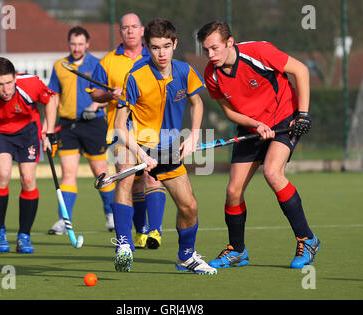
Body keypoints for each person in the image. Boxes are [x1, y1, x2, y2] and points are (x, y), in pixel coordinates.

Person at [197, 21, 320, 269]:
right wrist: (255, 124)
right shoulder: (211, 74)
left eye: (214, 48)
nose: (210, 55)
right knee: (233, 191)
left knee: (273, 172)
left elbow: (301, 71)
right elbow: (231, 112)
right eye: (206, 50)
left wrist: (303, 114)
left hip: (285, 118)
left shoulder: (259, 52)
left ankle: (307, 239)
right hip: (252, 127)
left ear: (230, 42)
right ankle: (237, 250)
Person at [111, 18, 216, 275]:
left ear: (175, 44)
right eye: (156, 47)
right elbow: (119, 125)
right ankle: (124, 245)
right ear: (148, 47)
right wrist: (141, 153)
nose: (161, 53)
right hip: (137, 141)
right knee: (125, 180)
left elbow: (197, 104)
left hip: (169, 147)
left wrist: (193, 136)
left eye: (166, 46)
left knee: (189, 206)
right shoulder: (135, 76)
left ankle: (186, 257)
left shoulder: (185, 71)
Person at [90, 13, 167, 249]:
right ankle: (131, 236)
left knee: (150, 175)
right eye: (125, 28)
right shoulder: (107, 61)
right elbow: (94, 93)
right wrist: (107, 95)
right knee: (126, 178)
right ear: (120, 31)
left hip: (151, 130)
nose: (130, 31)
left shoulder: (155, 54)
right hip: (119, 129)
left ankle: (154, 230)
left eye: (134, 27)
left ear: (142, 30)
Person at [0, 57, 57, 254]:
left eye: (9, 83)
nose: (6, 90)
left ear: (15, 78)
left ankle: (24, 236)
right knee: (3, 174)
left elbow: (51, 99)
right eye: (0, 85)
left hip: (28, 131)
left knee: (28, 178)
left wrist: (49, 132)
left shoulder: (30, 84)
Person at [47, 26, 115, 234]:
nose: (76, 48)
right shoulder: (60, 66)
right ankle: (64, 220)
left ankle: (110, 214)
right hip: (67, 126)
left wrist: (95, 106)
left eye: (80, 44)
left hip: (94, 124)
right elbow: (53, 97)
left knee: (100, 172)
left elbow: (110, 95)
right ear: (69, 44)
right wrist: (48, 129)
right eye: (73, 44)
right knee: (67, 173)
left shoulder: (98, 64)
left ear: (87, 44)